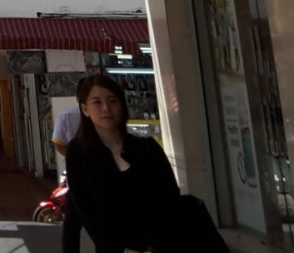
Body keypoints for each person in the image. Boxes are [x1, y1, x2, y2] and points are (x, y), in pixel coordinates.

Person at [67, 74, 227, 253]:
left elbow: (169, 200)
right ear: (85, 109)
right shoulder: (78, 153)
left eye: (112, 101)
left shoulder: (147, 148)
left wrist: (155, 244)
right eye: (96, 102)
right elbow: (85, 211)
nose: (106, 108)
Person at [52, 99, 84, 253]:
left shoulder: (66, 114)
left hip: (77, 180)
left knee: (71, 227)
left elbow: (58, 143)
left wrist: (71, 156)